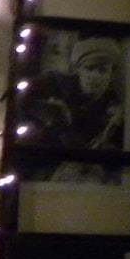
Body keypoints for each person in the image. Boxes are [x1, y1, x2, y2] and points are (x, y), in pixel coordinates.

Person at [20, 36, 124, 183]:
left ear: (111, 75)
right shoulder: (55, 84)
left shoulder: (113, 111)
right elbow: (22, 98)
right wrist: (53, 115)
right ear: (78, 70)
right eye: (89, 68)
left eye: (102, 70)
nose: (95, 76)